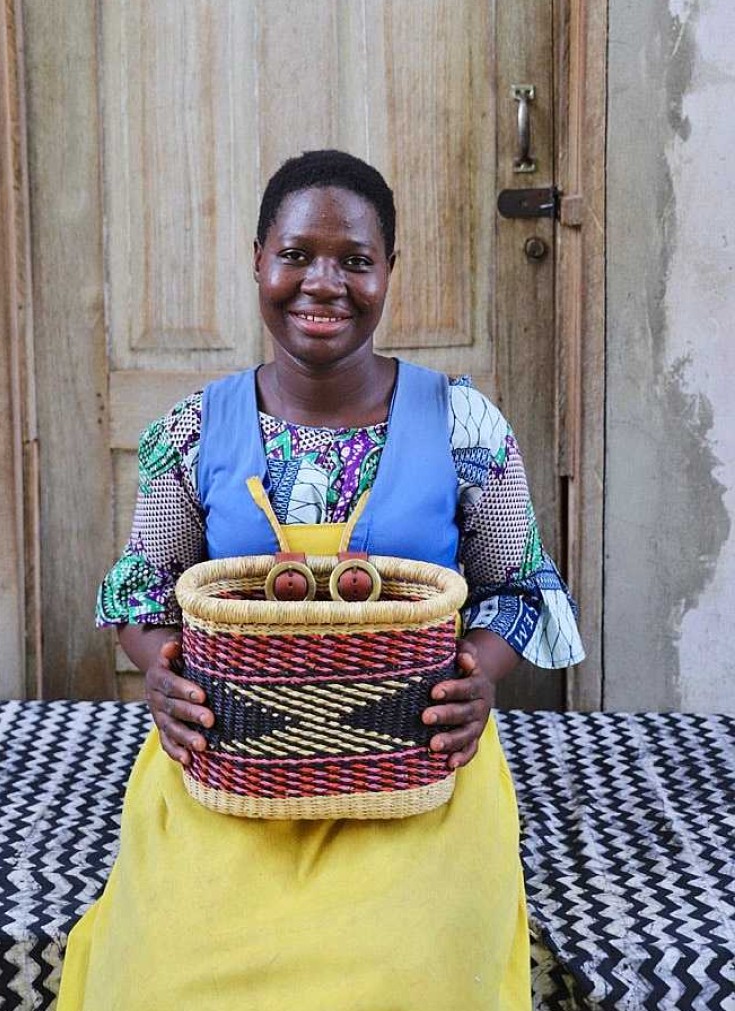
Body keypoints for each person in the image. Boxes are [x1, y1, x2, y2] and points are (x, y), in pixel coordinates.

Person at [57, 150, 584, 1011]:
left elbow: (517, 588)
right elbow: (142, 589)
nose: (322, 282)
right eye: (296, 253)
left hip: (417, 774)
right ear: (257, 256)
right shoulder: (191, 430)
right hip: (228, 771)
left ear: (389, 271)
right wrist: (160, 672)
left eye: (355, 259)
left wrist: (477, 679)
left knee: (408, 975)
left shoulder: (463, 424)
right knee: (166, 974)